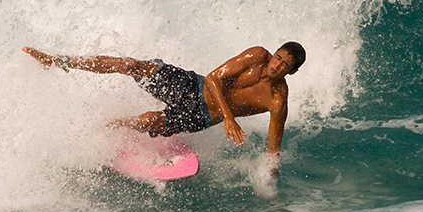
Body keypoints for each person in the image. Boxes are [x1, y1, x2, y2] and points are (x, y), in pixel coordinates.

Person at [23, 41, 306, 155]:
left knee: (145, 121)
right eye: (278, 57)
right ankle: (58, 61)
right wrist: (230, 118)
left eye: (284, 65)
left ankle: (103, 127)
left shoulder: (277, 101)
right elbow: (212, 78)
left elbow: (273, 151)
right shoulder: (256, 56)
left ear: (291, 72)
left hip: (201, 116)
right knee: (132, 66)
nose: (276, 65)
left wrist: (269, 183)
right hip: (191, 86)